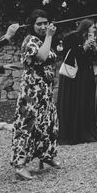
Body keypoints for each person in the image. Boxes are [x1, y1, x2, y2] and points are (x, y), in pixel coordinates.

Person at [11, 10, 59, 180]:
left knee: (47, 124)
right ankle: (20, 164)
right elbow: (42, 56)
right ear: (32, 25)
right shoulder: (30, 41)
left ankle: (46, 155)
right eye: (39, 23)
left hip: (44, 91)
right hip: (32, 92)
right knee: (27, 126)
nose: (43, 26)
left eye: (45, 23)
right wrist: (49, 36)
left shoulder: (41, 39)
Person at [57, 19, 97, 145]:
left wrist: (95, 49)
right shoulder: (72, 37)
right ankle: (74, 133)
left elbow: (96, 59)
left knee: (86, 101)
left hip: (87, 75)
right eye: (93, 27)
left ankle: (86, 131)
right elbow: (69, 55)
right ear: (86, 27)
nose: (94, 30)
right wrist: (84, 47)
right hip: (74, 76)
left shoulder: (93, 38)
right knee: (76, 100)